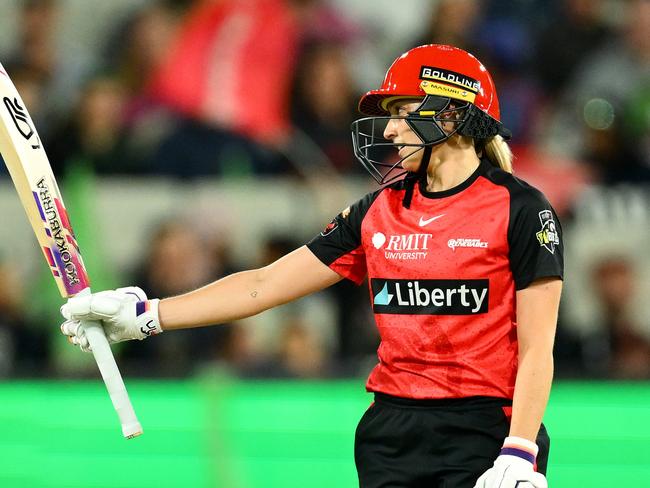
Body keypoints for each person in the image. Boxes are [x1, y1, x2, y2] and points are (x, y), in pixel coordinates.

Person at [60, 44, 563, 488]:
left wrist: (519, 451)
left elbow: (538, 349)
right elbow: (264, 284)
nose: (388, 128)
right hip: (391, 433)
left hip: (487, 431)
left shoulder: (522, 210)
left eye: (401, 110)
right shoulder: (375, 212)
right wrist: (148, 314)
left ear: (452, 116)